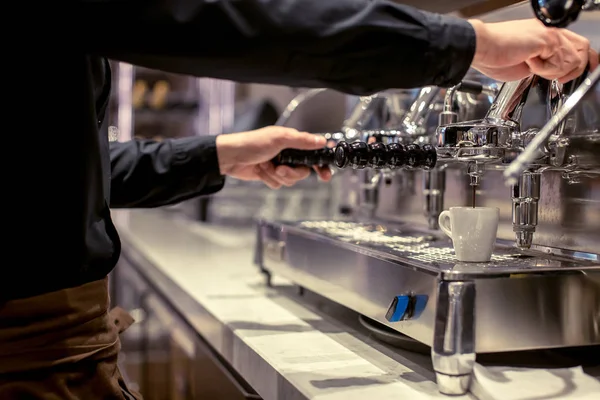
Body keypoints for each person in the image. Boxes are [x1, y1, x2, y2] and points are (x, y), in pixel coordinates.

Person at [1, 0, 598, 398]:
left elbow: (57, 171)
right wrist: (469, 42)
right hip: (31, 353)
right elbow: (210, 15)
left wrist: (216, 155)